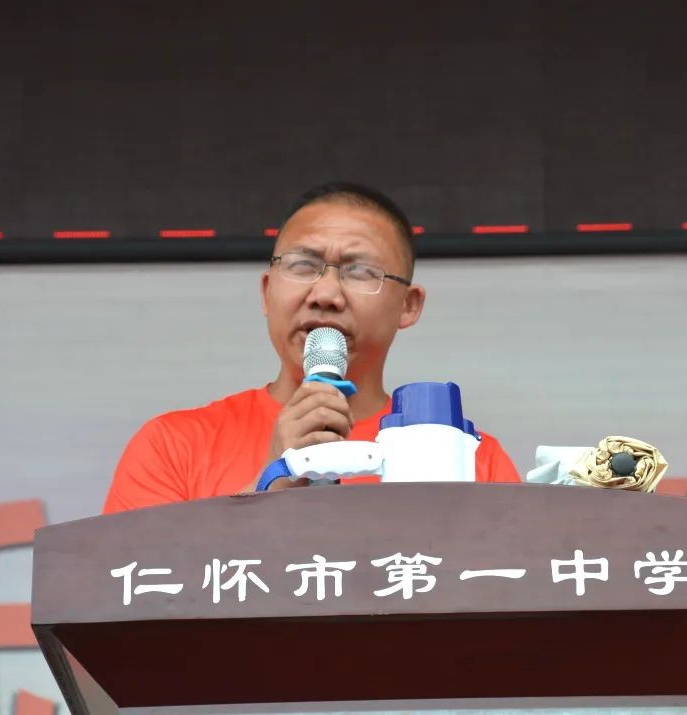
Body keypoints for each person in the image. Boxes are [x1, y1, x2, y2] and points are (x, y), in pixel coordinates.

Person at [103, 182, 520, 513]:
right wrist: (273, 482)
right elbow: (138, 585)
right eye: (303, 266)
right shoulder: (173, 446)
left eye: (361, 271)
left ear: (408, 306)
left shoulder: (471, 458)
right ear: (267, 293)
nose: (325, 294)